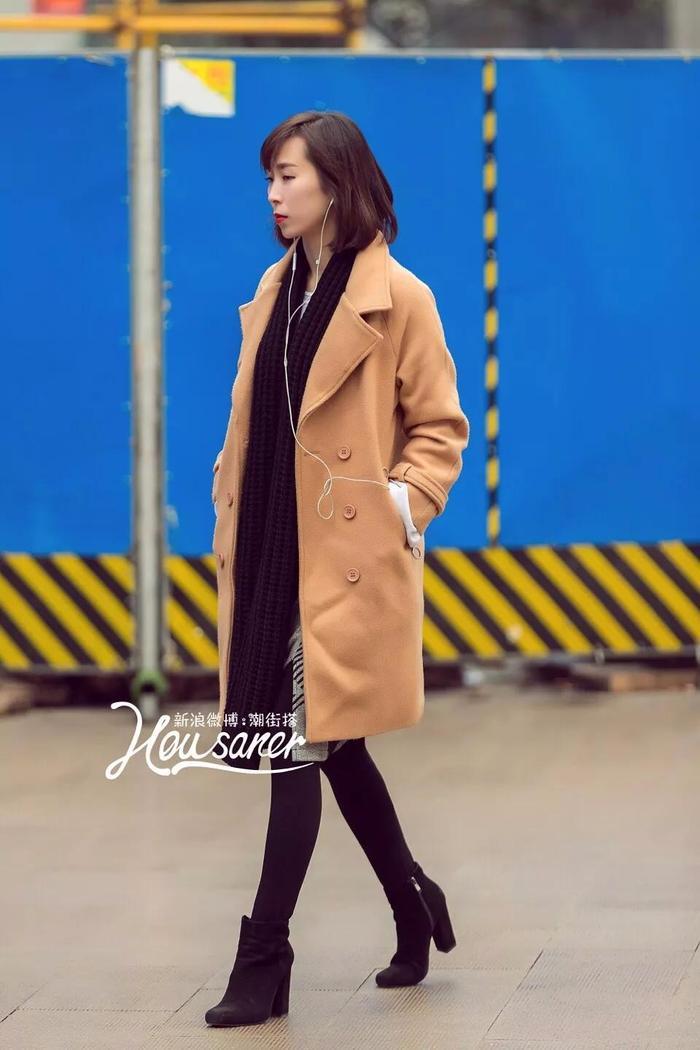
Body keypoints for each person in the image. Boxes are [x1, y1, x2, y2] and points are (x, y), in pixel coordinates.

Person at [206, 110, 470, 1028]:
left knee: (294, 748)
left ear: (336, 183)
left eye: (289, 176)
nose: (274, 194)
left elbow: (439, 429)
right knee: (336, 746)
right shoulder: (275, 289)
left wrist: (399, 505)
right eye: (270, 178)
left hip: (344, 558)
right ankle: (412, 900)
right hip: (273, 553)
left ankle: (263, 956)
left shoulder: (402, 299)